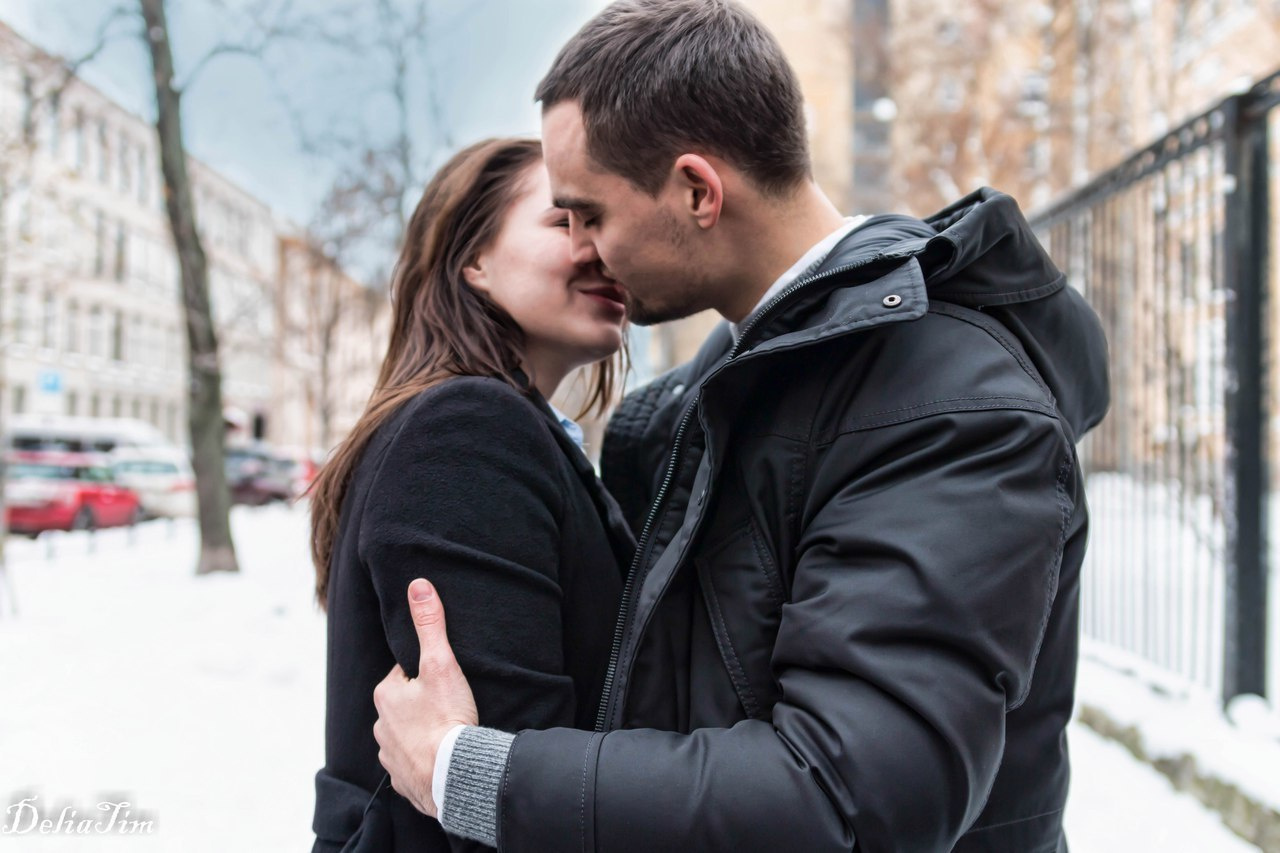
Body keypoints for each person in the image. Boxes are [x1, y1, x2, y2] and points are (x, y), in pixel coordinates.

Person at [372, 1, 1110, 851]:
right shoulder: (723, 391)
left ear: (697, 190)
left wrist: (470, 773)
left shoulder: (947, 400)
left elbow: (850, 799)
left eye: (591, 215)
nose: (583, 248)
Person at [308, 138, 635, 852]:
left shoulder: (503, 428)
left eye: (602, 220)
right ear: (473, 260)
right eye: (566, 221)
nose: (603, 248)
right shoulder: (467, 429)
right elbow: (511, 795)